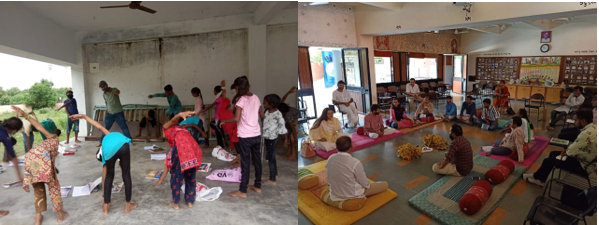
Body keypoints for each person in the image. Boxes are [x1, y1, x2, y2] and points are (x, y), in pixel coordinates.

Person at [69, 114, 137, 215]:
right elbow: (98, 126)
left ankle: (106, 209)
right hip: (123, 144)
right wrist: (83, 116)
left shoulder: (105, 153)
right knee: (126, 174)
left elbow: (105, 178)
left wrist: (104, 199)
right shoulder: (108, 136)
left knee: (109, 176)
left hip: (116, 148)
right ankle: (128, 206)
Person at [12, 106, 69, 225]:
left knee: (38, 190)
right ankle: (60, 214)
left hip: (31, 159)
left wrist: (25, 114)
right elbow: (39, 126)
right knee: (53, 187)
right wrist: (26, 114)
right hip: (43, 162)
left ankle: (38, 219)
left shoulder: (45, 140)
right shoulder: (53, 138)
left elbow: (38, 126)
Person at [523, 110, 596, 186]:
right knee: (552, 154)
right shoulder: (593, 127)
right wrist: (567, 150)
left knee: (547, 161)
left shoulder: (586, 133)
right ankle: (538, 176)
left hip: (583, 166)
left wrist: (566, 151)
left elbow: (570, 151)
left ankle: (539, 179)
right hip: (585, 160)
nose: (575, 122)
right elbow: (576, 146)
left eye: (576, 120)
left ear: (583, 121)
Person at [221, 76, 263, 198]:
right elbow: (261, 114)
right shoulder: (255, 97)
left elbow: (236, 118)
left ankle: (242, 190)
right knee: (257, 161)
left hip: (245, 135)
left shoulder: (241, 100)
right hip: (256, 134)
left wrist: (225, 121)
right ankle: (257, 186)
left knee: (245, 162)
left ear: (238, 87)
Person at [154, 111, 203, 209]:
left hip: (180, 152)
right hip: (193, 151)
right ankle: (189, 202)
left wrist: (179, 114)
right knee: (191, 178)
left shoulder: (169, 130)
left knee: (176, 178)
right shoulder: (183, 130)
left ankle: (175, 203)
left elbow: (167, 166)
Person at [326, 136, 388, 204]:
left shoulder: (330, 158)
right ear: (351, 147)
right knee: (384, 185)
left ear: (337, 147)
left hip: (335, 193)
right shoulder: (355, 162)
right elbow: (365, 184)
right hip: (352, 194)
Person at [261, 94, 287, 185]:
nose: (263, 104)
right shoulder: (267, 111)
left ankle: (272, 180)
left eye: (265, 103)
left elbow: (282, 127)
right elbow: (263, 119)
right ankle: (274, 174)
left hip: (272, 139)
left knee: (271, 158)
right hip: (267, 137)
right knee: (271, 157)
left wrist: (285, 139)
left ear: (271, 104)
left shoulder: (278, 115)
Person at [98, 80, 132, 147]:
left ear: (106, 85)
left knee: (124, 128)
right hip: (110, 114)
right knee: (105, 128)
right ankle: (101, 142)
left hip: (118, 113)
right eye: (101, 87)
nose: (103, 88)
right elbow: (107, 103)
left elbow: (118, 92)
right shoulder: (104, 94)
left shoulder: (114, 90)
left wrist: (117, 92)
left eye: (103, 86)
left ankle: (129, 141)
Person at [200, 80, 227, 148]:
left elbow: (210, 106)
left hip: (218, 117)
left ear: (217, 92)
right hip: (221, 117)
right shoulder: (222, 98)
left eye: (214, 91)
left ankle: (221, 145)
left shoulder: (219, 99)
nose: (213, 92)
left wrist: (202, 110)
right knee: (220, 131)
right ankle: (222, 144)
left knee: (218, 130)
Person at [0, 117, 23, 183]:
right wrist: (19, 177)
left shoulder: (2, 128)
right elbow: (13, 157)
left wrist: (7, 157)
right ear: (14, 130)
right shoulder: (6, 138)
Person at [279, 87, 299, 160]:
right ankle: (289, 152)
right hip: (292, 123)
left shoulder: (288, 116)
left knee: (292, 138)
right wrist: (288, 92)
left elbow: (293, 129)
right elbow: (282, 100)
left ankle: (293, 155)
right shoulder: (284, 108)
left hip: (296, 124)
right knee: (289, 137)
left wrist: (296, 140)